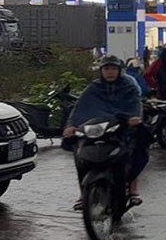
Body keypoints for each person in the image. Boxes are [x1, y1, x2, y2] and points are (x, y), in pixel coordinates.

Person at [63, 55, 148, 209]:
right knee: (79, 151)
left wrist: (133, 119)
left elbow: (135, 105)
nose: (110, 72)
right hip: (97, 128)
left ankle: (133, 189)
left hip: (121, 128)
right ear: (101, 71)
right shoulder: (93, 88)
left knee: (135, 148)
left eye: (113, 69)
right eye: (107, 69)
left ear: (119, 70)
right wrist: (71, 126)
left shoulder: (128, 86)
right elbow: (79, 108)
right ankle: (84, 193)